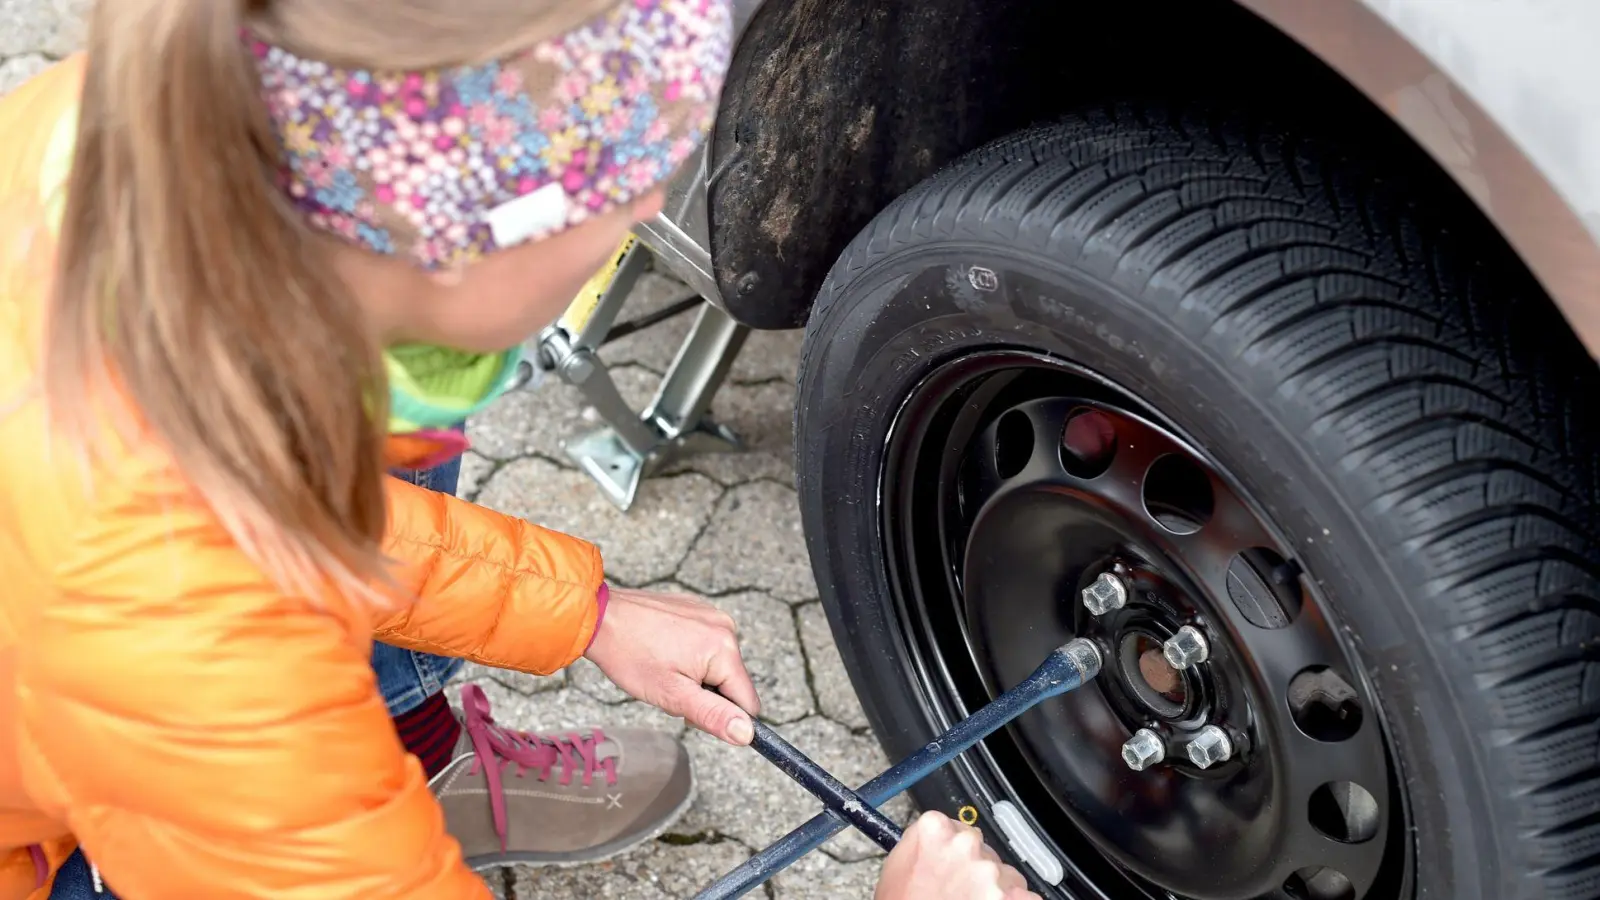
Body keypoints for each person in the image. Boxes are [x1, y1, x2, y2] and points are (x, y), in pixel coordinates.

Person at [0, 0, 1041, 897]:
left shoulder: (125, 142)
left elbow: (265, 521)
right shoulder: (193, 664)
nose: (643, 209)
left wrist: (584, 612)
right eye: (622, 191)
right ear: (461, 244)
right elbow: (203, 578)